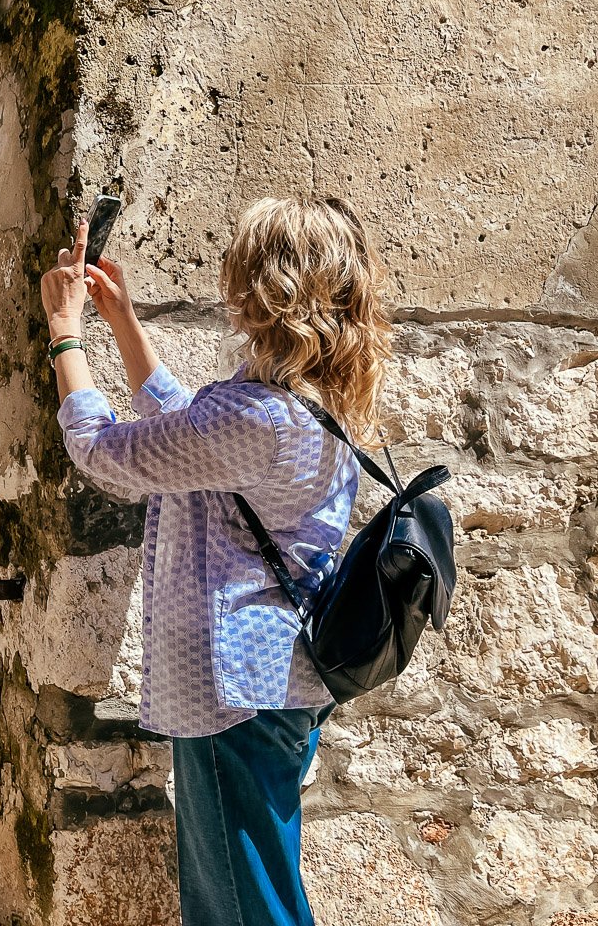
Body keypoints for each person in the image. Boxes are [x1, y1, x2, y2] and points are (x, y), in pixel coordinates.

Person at [39, 195, 393, 926]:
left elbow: (106, 454)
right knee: (251, 885)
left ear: (264, 287)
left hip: (237, 694)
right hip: (275, 682)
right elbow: (184, 425)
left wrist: (63, 333)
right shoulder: (307, 401)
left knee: (242, 905)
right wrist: (123, 322)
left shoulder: (255, 414)